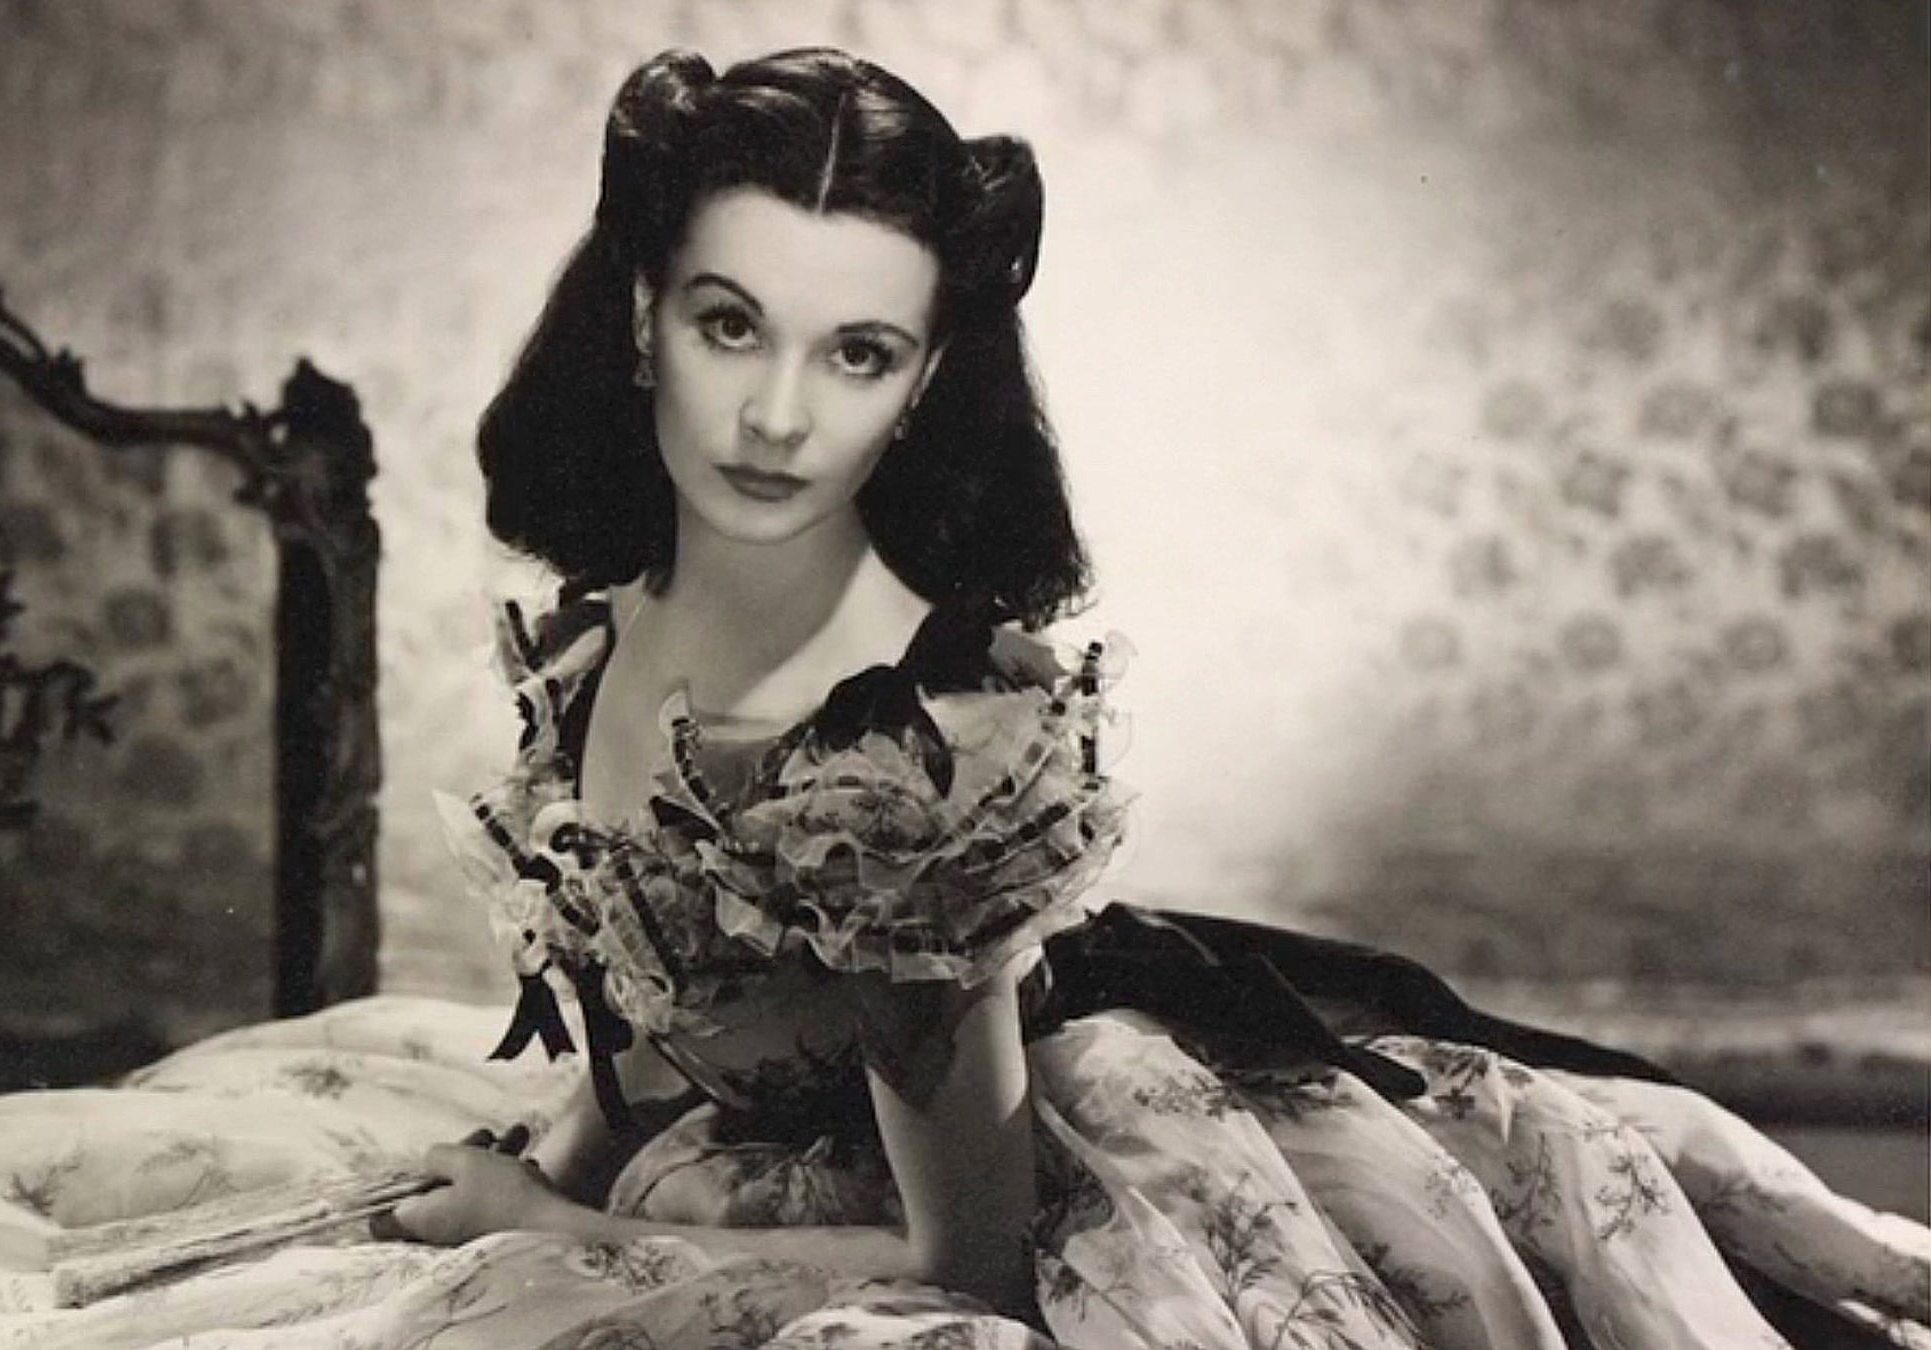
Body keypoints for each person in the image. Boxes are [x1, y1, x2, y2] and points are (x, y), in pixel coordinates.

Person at [396, 45, 1928, 1350]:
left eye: (856, 353)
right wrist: (549, 1169)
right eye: (730, 323)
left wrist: (558, 1232)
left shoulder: (914, 761)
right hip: (751, 1160)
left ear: (923, 381)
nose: (778, 416)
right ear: (641, 312)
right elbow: (641, 1012)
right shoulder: (594, 646)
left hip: (994, 1203)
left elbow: (968, 1263)